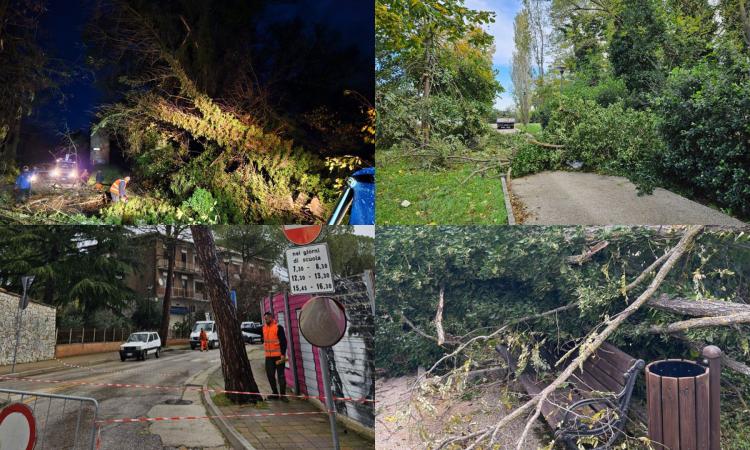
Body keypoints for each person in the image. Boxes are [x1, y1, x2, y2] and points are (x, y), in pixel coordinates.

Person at [249, 312, 288, 401]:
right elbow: (253, 330)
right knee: (270, 375)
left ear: (271, 318)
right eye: (264, 319)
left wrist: (283, 354)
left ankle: (283, 395)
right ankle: (275, 393)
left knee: (281, 376)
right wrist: (241, 328)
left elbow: (283, 342)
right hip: (269, 357)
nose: (265, 320)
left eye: (266, 319)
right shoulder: (264, 328)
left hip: (279, 357)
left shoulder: (278, 327)